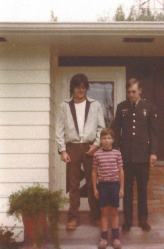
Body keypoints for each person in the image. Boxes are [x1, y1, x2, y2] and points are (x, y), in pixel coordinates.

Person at [56, 73, 105, 229]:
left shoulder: (95, 105)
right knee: (73, 184)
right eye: (78, 87)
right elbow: (59, 130)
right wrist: (63, 150)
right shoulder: (64, 105)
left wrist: (97, 145)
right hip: (72, 147)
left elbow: (101, 128)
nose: (81, 90)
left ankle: (95, 216)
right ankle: (73, 217)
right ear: (73, 88)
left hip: (90, 147)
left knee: (92, 183)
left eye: (84, 87)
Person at [113, 78, 159, 232]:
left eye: (133, 91)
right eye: (128, 92)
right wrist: (115, 152)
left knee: (142, 190)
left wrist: (153, 152)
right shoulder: (121, 107)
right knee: (127, 190)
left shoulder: (149, 106)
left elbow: (153, 131)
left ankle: (143, 220)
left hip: (143, 156)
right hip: (126, 156)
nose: (131, 95)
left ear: (140, 90)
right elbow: (115, 131)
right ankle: (127, 221)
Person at [92, 128, 124, 249]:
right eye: (104, 138)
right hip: (103, 186)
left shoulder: (117, 153)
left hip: (114, 185)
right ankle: (104, 238)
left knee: (114, 212)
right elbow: (94, 172)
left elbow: (121, 171)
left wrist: (121, 188)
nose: (106, 141)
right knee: (104, 212)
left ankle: (116, 238)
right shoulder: (97, 154)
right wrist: (95, 188)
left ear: (113, 140)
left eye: (109, 138)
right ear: (100, 140)